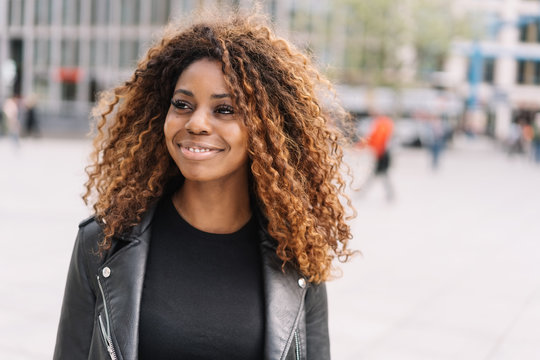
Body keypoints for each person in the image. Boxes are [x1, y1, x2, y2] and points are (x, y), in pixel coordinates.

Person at [54, 11, 354, 360]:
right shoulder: (103, 243)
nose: (196, 123)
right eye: (182, 105)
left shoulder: (297, 253)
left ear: (267, 129)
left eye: (224, 109)